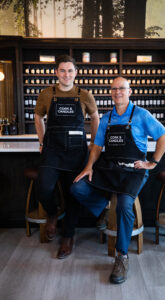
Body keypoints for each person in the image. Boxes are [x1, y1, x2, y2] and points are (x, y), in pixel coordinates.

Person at [71, 77, 165, 284]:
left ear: (129, 91)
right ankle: (104, 209)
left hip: (133, 172)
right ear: (110, 92)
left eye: (122, 88)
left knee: (124, 205)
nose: (118, 92)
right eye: (114, 89)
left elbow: (163, 135)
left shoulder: (142, 114)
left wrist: (153, 162)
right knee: (78, 187)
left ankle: (121, 257)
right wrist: (88, 167)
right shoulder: (106, 119)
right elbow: (97, 147)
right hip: (109, 168)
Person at [34, 54, 99, 259]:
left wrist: (93, 142)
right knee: (44, 186)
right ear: (56, 72)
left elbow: (95, 116)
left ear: (76, 73)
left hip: (76, 152)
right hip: (52, 151)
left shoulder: (84, 94)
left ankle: (68, 237)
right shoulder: (46, 94)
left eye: (70, 70)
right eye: (62, 70)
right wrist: (42, 140)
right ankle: (53, 214)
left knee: (73, 194)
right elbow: (37, 115)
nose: (66, 74)